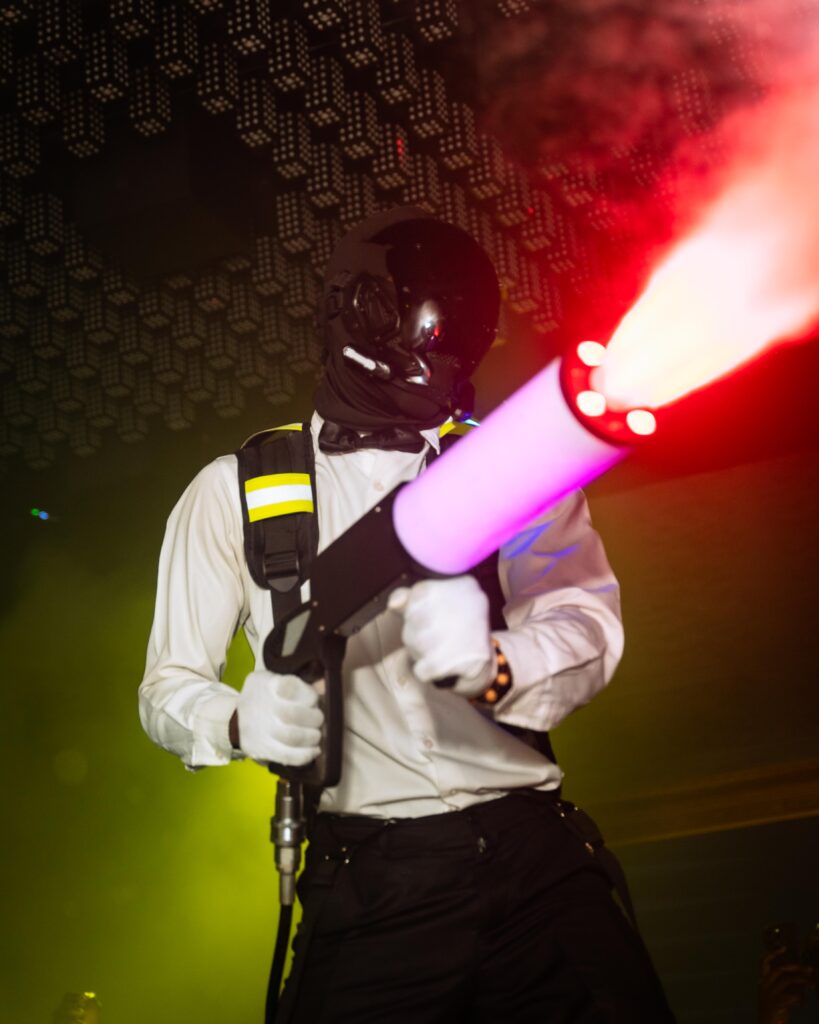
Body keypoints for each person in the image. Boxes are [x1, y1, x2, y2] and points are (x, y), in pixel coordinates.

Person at [139, 206, 675, 1022]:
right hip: (372, 886)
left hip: (534, 858)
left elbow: (584, 622)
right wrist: (239, 722)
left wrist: (498, 663)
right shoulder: (234, 490)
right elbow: (166, 688)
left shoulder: (508, 460)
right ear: (352, 312)